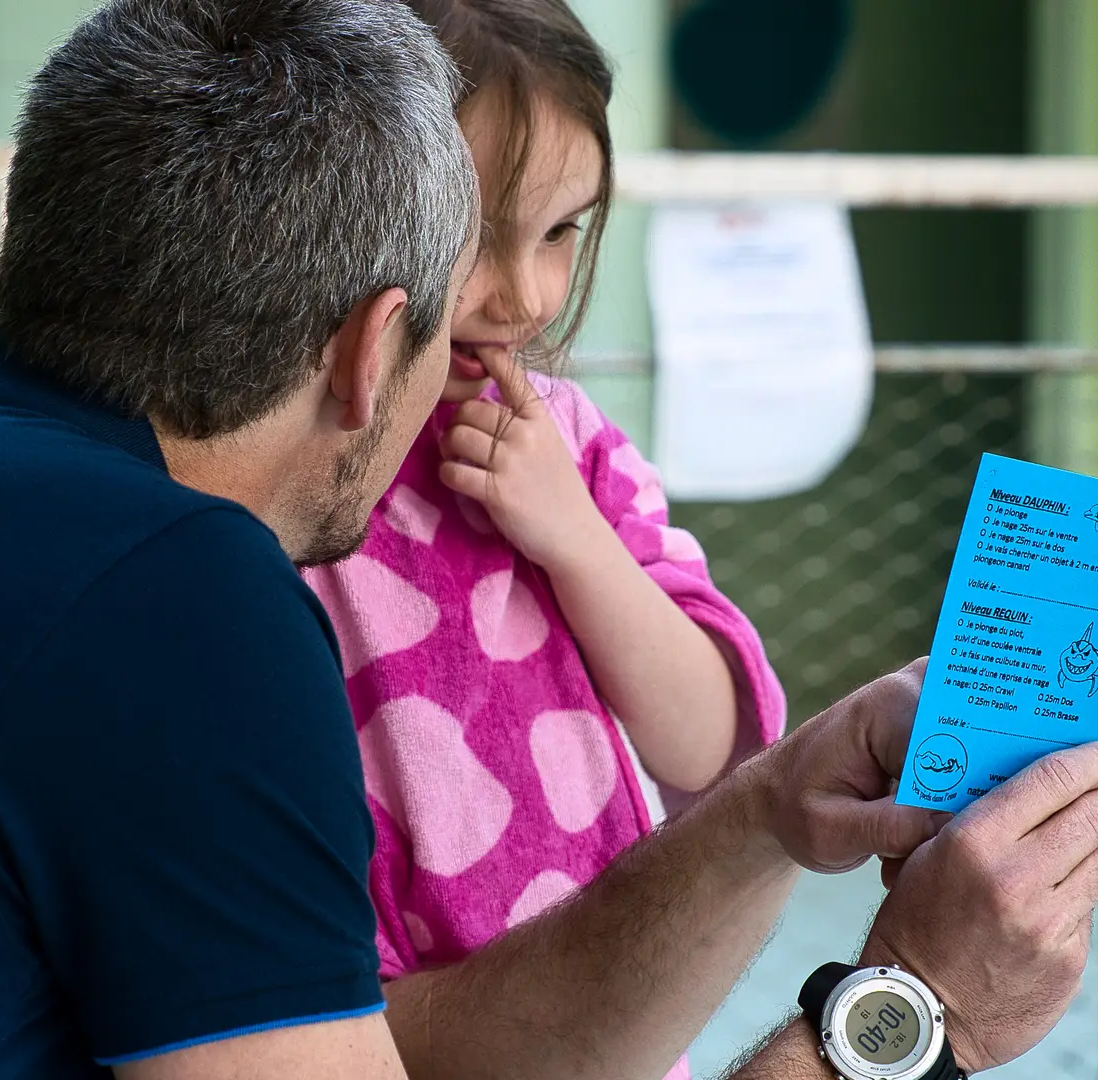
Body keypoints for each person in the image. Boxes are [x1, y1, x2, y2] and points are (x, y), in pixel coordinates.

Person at [0, 2, 1098, 1079]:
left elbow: (362, 1048)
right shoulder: (168, 588)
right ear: (373, 341)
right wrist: (912, 1012)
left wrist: (765, 813)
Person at [303, 16, 783, 1077]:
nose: (525, 294)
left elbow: (713, 744)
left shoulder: (571, 442)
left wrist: (573, 535)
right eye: (480, 239)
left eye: (564, 232)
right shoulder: (296, 463)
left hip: (608, 1022)